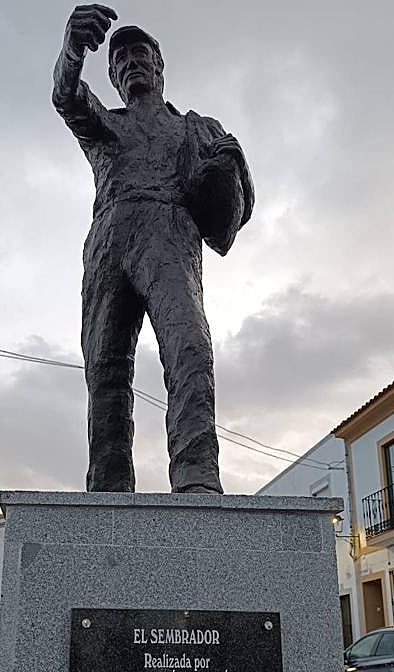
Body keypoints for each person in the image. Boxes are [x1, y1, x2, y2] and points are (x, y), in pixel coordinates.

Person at [53, 5, 254, 493]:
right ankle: (108, 481)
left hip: (168, 231)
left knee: (188, 344)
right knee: (105, 364)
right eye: (119, 63)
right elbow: (67, 98)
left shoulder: (193, 129)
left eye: (140, 56)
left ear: (160, 67)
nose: (131, 66)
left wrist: (225, 169)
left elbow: (231, 205)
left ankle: (196, 474)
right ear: (115, 80)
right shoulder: (105, 125)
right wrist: (72, 49)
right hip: (109, 240)